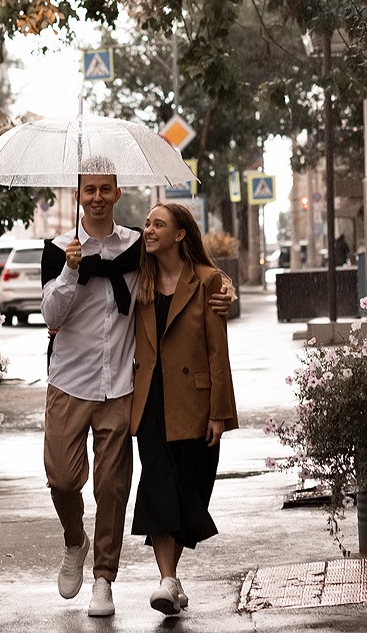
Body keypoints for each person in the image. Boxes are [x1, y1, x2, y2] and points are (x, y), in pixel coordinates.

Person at [40, 157, 232, 618]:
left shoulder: (136, 247)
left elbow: (181, 269)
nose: (98, 197)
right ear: (79, 196)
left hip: (121, 386)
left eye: (105, 189)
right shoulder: (57, 249)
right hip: (69, 381)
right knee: (62, 480)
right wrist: (70, 271)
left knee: (113, 488)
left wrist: (224, 287)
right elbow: (50, 317)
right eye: (90, 190)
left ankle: (104, 580)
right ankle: (74, 541)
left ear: (117, 194)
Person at [130, 201, 239, 617]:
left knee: (189, 493)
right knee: (158, 489)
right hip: (150, 401)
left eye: (158, 224)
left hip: (195, 403)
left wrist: (219, 413)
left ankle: (170, 581)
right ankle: (167, 580)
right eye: (147, 224)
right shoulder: (139, 280)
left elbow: (217, 352)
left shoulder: (208, 282)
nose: (149, 230)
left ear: (180, 234)